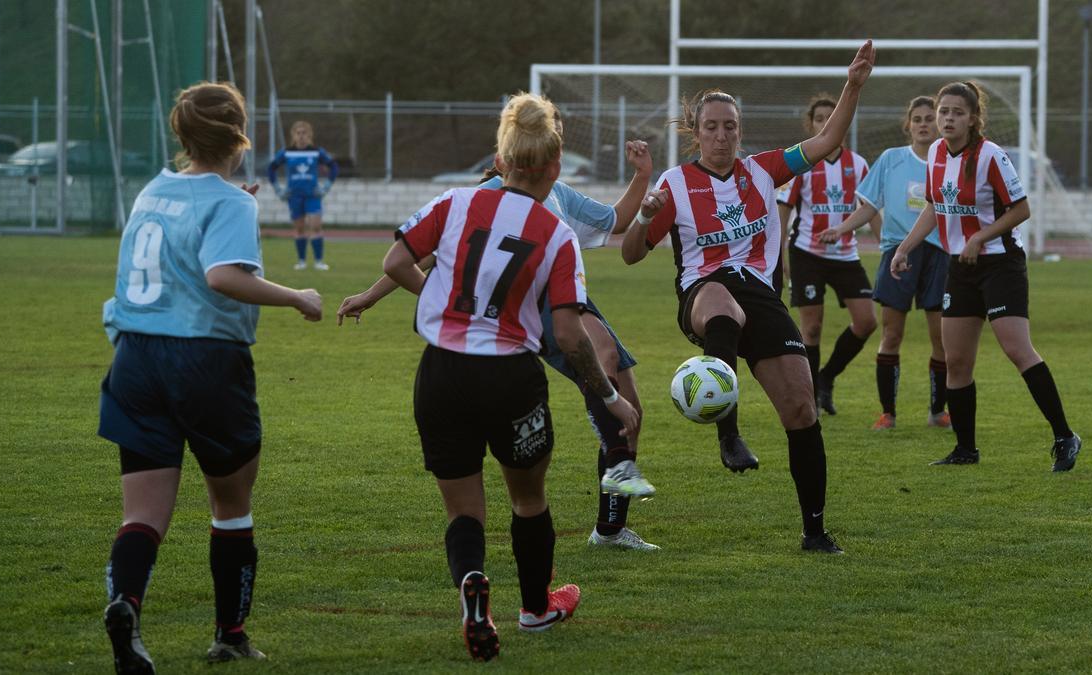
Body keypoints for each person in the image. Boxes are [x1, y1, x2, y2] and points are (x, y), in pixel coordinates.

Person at [380, 93, 640, 661]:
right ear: (555, 167)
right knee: (528, 500)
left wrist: (443, 302)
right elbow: (569, 337)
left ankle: (474, 583)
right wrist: (611, 397)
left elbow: (395, 262)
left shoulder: (454, 202)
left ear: (500, 161)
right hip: (510, 376)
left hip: (441, 372)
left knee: (463, 511)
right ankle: (536, 610)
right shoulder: (557, 234)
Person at [340, 110, 661, 552]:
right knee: (601, 355)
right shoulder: (488, 194)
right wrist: (374, 294)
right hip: (525, 304)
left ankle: (609, 529)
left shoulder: (557, 192)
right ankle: (620, 462)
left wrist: (641, 176)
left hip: (569, 298)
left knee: (632, 403)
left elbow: (615, 220)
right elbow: (427, 256)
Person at [98, 81, 323, 673]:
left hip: (135, 357)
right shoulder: (233, 203)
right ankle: (230, 634)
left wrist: (229, 204)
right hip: (204, 360)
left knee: (142, 515)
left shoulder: (152, 190)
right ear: (239, 137)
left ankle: (126, 603)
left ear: (184, 135)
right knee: (230, 503)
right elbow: (222, 276)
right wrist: (297, 296)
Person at [624, 40, 876, 553]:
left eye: (730, 126)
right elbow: (630, 254)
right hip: (703, 294)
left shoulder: (764, 169)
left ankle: (814, 531)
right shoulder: (674, 184)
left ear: (740, 130)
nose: (721, 135)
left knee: (801, 410)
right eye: (711, 127)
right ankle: (729, 434)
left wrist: (853, 84)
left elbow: (827, 140)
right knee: (722, 302)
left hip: (761, 298)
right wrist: (645, 216)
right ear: (696, 132)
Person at [889, 81, 1081, 471]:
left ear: (973, 118)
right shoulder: (936, 153)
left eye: (957, 113)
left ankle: (1065, 436)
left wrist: (980, 237)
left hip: (1000, 265)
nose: (948, 119)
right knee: (957, 360)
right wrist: (905, 247)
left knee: (1017, 349)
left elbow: (1021, 209)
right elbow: (933, 207)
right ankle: (965, 450)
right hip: (960, 267)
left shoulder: (991, 156)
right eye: (943, 111)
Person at [818, 95, 953, 430]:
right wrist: (841, 228)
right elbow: (869, 206)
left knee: (942, 338)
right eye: (917, 119)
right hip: (898, 252)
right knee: (892, 333)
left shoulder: (948, 161)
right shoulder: (891, 159)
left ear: (939, 124)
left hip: (939, 254)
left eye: (929, 118)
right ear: (908, 125)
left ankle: (938, 411)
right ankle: (888, 413)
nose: (924, 124)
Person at [777, 95, 877, 417]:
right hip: (807, 254)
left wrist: (890, 248)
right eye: (819, 119)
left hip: (845, 255)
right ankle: (810, 398)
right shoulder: (802, 164)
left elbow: (871, 208)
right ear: (811, 124)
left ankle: (826, 377)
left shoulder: (858, 165)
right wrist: (780, 256)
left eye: (831, 118)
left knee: (866, 322)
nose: (826, 123)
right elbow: (782, 211)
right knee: (812, 329)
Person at [267, 120, 339, 270]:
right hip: (294, 196)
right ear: (293, 135)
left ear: (309, 135)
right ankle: (301, 261)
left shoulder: (316, 152)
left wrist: (326, 186)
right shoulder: (287, 152)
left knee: (315, 226)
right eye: (298, 133)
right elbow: (271, 168)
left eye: (304, 133)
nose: (301, 136)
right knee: (299, 228)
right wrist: (278, 189)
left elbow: (333, 166)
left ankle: (319, 262)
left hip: (312, 195)